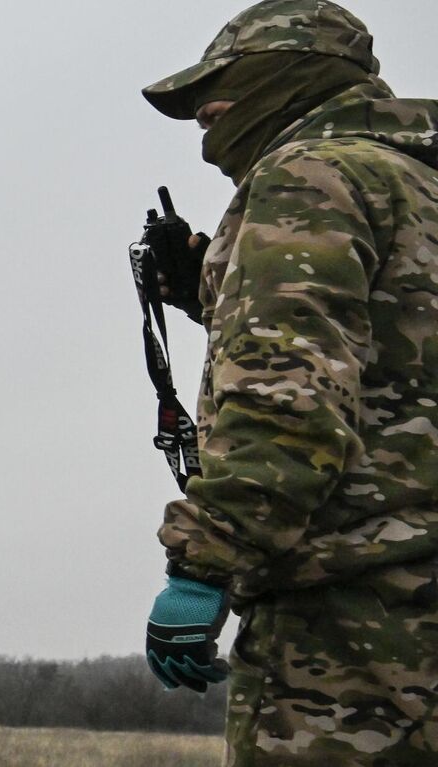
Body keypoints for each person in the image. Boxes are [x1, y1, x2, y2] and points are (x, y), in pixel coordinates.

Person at [137, 1, 438, 764]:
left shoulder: (307, 177)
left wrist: (205, 561)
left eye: (220, 85)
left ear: (293, 76)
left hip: (351, 635)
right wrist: (214, 288)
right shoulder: (414, 183)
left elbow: (288, 405)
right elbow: (396, 362)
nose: (201, 114)